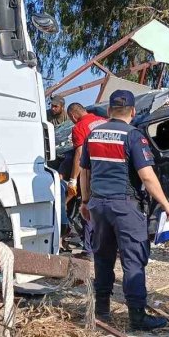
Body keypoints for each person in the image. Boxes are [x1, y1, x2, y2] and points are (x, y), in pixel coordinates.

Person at [79, 89, 169, 330]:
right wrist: (165, 204)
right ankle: (137, 316)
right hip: (125, 206)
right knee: (133, 259)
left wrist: (85, 201)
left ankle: (101, 312)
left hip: (98, 205)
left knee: (103, 258)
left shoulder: (93, 135)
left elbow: (85, 172)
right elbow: (147, 176)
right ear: (132, 111)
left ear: (109, 110)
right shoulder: (133, 136)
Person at [63, 103, 107, 253]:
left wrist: (73, 180)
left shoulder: (79, 127)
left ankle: (89, 250)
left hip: (93, 173)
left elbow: (79, 154)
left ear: (73, 116)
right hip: (113, 173)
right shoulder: (104, 121)